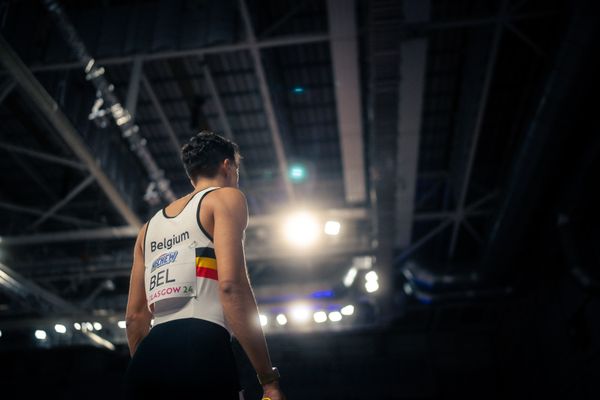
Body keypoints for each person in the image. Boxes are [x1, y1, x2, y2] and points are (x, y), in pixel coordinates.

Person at [124, 131, 285, 400]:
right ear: (227, 166)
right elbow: (231, 287)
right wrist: (268, 379)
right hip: (200, 346)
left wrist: (151, 368)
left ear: (191, 175)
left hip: (145, 361)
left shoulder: (147, 230)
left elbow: (134, 319)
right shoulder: (225, 198)